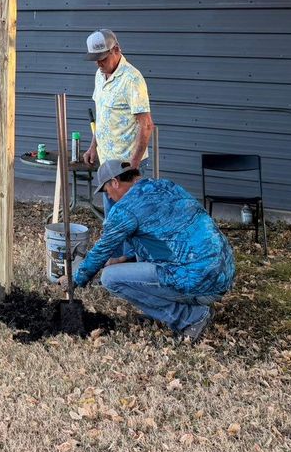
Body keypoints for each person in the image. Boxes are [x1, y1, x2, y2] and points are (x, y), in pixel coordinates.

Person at [61, 160, 235, 343]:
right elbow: (164, 237)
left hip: (197, 281)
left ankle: (190, 317)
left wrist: (76, 279)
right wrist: (125, 259)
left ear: (115, 182)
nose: (109, 198)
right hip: (222, 275)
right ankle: (172, 308)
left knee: (110, 278)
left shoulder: (125, 209)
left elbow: (102, 250)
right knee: (140, 256)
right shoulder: (165, 186)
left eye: (106, 191)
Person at [81, 29, 153, 214]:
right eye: (95, 59)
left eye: (103, 58)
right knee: (113, 218)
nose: (99, 63)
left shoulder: (132, 79)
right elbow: (102, 115)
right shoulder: (100, 75)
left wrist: (134, 166)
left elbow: (146, 125)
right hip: (107, 163)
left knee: (130, 218)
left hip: (126, 164)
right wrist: (93, 147)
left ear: (116, 50)